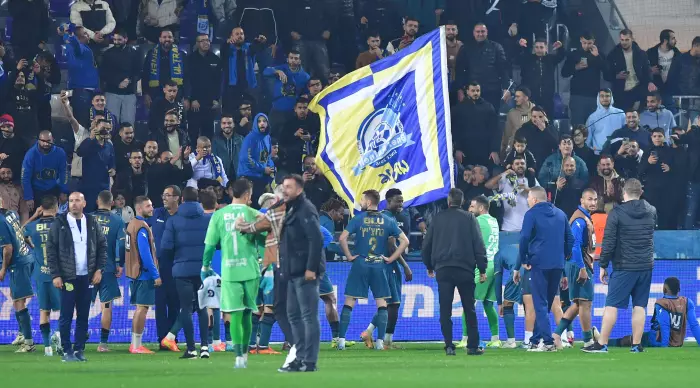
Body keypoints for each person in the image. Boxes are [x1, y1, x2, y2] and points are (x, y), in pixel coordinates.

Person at [583, 179, 656, 353]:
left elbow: (609, 241)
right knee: (640, 306)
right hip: (646, 265)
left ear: (624, 193)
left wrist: (603, 265)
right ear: (640, 192)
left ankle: (601, 343)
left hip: (624, 266)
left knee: (612, 305)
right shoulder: (651, 210)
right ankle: (636, 344)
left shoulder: (617, 213)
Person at [337, 189, 409, 353]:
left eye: (362, 200)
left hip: (360, 263)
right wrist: (391, 259)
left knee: (350, 302)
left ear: (369, 202)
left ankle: (341, 341)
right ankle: (379, 342)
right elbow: (405, 241)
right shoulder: (387, 220)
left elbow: (342, 238)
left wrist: (349, 255)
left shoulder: (358, 219)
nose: (361, 203)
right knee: (382, 304)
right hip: (379, 265)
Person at [202, 178, 262, 369]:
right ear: (247, 194)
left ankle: (238, 358)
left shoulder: (219, 215)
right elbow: (263, 241)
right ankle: (244, 353)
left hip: (229, 271)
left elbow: (210, 246)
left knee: (235, 313)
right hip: (251, 270)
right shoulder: (254, 214)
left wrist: (205, 266)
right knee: (247, 313)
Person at [422, 188, 486, 356]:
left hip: (443, 269)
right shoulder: (470, 218)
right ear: (463, 201)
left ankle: (449, 345)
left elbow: (426, 245)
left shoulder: (437, 219)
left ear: (448, 201)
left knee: (445, 309)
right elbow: (478, 245)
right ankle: (472, 346)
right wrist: (483, 268)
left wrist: (429, 265)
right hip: (465, 269)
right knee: (469, 309)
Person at [47, 192, 107, 362]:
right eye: (71, 201)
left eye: (77, 200)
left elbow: (102, 246)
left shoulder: (92, 222)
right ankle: (67, 351)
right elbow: (51, 250)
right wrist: (56, 274)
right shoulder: (59, 223)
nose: (74, 203)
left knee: (83, 316)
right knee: (66, 315)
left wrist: (99, 270)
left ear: (84, 203)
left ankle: (79, 349)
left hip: (87, 277)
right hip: (67, 277)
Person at [276, 174, 325, 372]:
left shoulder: (305, 209)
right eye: (283, 186)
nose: (284, 190)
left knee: (308, 317)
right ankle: (300, 358)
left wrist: (311, 268)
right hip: (292, 272)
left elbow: (316, 239)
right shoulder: (292, 208)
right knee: (294, 317)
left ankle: (310, 361)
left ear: (299, 189)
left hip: (305, 273)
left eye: (288, 187)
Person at [517, 186, 573, 352]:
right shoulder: (560, 213)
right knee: (546, 303)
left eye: (528, 198)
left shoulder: (531, 214)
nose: (528, 201)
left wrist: (524, 258)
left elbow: (524, 237)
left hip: (539, 263)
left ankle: (548, 342)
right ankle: (535, 340)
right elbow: (570, 238)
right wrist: (565, 256)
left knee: (540, 303)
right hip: (557, 264)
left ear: (534, 199)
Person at [160, 187, 212, 359]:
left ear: (182, 199)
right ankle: (205, 346)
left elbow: (166, 247)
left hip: (182, 270)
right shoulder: (207, 219)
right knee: (203, 307)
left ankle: (191, 349)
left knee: (186, 308)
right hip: (203, 270)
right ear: (198, 199)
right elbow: (216, 243)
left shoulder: (173, 221)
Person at [362, 189, 413, 350]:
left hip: (379, 264)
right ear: (388, 201)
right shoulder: (387, 218)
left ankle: (372, 333)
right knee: (393, 304)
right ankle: (385, 341)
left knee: (389, 304)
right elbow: (391, 245)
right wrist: (405, 266)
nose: (401, 204)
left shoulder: (380, 217)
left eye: (402, 201)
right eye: (398, 201)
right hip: (387, 265)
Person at [552, 189, 599, 349]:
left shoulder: (584, 217)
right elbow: (575, 245)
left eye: (595, 199)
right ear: (582, 200)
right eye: (589, 199)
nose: (593, 202)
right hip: (579, 264)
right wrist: (582, 268)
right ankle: (588, 342)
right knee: (585, 304)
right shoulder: (579, 220)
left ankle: (557, 334)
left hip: (577, 263)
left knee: (578, 303)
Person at [608, 277, 700, 348]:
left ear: (664, 289)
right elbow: (694, 325)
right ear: (679, 289)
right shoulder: (687, 302)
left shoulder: (661, 303)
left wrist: (665, 345)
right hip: (678, 341)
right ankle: (600, 338)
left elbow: (665, 325)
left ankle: (603, 341)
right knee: (633, 338)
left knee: (628, 340)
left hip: (656, 339)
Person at [459, 195, 501, 348]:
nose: (470, 209)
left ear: (481, 208)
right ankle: (496, 339)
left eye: (472, 206)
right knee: (489, 304)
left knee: (468, 303)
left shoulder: (477, 221)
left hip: (483, 265)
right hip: (495, 265)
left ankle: (465, 339)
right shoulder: (494, 221)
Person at [23, 196, 62, 356]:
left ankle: (47, 348)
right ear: (56, 207)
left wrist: (33, 216)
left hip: (40, 274)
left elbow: (19, 232)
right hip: (58, 274)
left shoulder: (33, 226)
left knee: (43, 311)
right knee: (62, 310)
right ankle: (59, 334)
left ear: (41, 208)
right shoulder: (61, 224)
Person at [90, 191, 126, 352]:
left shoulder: (87, 218)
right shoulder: (118, 220)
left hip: (87, 269)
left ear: (97, 201)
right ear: (112, 203)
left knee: (82, 304)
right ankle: (103, 344)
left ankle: (79, 336)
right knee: (106, 306)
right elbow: (121, 245)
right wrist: (120, 263)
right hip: (108, 267)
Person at [125, 196, 161, 354]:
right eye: (148, 206)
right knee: (142, 308)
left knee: (140, 308)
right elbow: (145, 254)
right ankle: (136, 345)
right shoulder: (141, 227)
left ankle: (135, 343)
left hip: (134, 273)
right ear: (139, 209)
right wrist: (155, 275)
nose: (151, 208)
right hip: (143, 274)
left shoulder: (131, 225)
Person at [0, 197, 36, 353]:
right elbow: (20, 231)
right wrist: (30, 245)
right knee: (16, 300)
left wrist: (2, 269)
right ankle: (22, 334)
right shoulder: (12, 213)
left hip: (19, 263)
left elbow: (8, 249)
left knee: (19, 302)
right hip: (27, 257)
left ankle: (29, 344)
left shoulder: (0, 221)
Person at [148, 185, 181, 348]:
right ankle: (162, 339)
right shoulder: (157, 213)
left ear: (177, 198)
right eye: (164, 194)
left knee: (176, 303)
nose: (164, 197)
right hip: (160, 264)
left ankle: (172, 337)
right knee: (160, 304)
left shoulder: (182, 215)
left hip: (177, 264)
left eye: (168, 195)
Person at [561, 31, 607, 126]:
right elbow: (564, 73)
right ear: (581, 41)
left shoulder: (599, 54)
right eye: (584, 43)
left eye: (589, 43)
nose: (586, 46)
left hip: (593, 96)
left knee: (593, 126)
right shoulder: (574, 54)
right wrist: (575, 67)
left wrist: (597, 57)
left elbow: (607, 71)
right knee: (578, 127)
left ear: (593, 41)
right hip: (577, 96)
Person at [21, 130, 68, 212]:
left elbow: (64, 173)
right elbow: (25, 177)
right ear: (38, 140)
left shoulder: (60, 153)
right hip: (36, 190)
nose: (46, 144)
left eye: (48, 141)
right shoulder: (31, 154)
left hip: (53, 188)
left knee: (57, 216)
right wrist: (28, 197)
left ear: (53, 139)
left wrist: (63, 191)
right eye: (43, 141)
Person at [77, 119, 116, 212]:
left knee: (104, 213)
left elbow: (112, 162)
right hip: (89, 187)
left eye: (108, 129)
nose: (105, 131)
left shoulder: (109, 146)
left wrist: (113, 169)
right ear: (96, 128)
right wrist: (90, 138)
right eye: (103, 128)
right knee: (89, 214)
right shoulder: (89, 142)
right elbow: (80, 152)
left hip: (104, 186)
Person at [237, 113, 275, 205]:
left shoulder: (267, 137)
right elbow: (246, 159)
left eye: (264, 121)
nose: (262, 123)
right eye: (259, 121)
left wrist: (271, 167)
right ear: (255, 124)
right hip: (249, 177)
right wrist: (263, 169)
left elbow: (268, 156)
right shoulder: (250, 138)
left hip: (261, 176)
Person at [585, 89, 626, 154]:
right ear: (598, 98)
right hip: (599, 153)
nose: (605, 98)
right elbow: (588, 138)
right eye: (602, 96)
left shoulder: (620, 113)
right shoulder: (592, 117)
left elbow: (626, 132)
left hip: (618, 152)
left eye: (607, 96)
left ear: (611, 97)